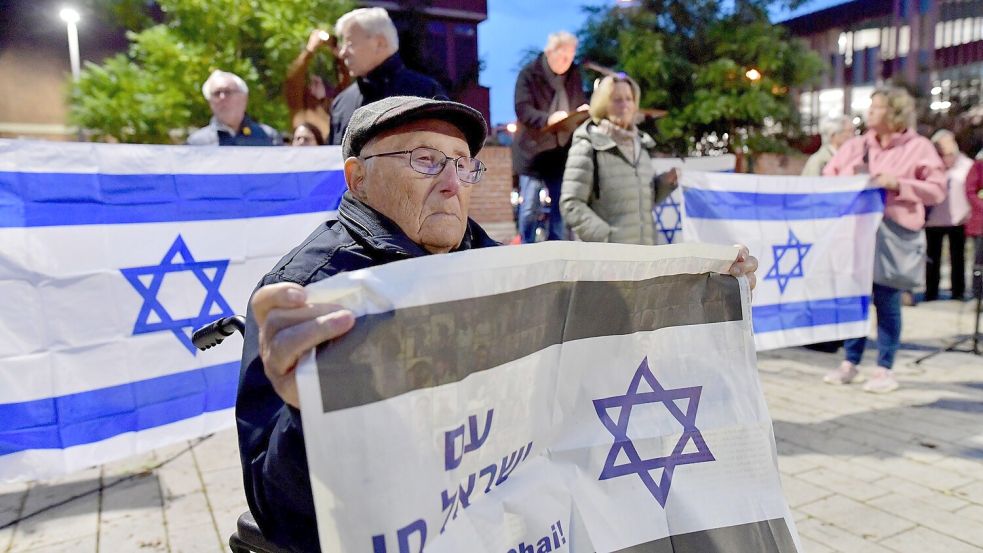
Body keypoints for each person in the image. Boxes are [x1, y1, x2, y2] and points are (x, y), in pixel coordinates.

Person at [236, 96, 760, 552]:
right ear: (359, 177)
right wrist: (311, 415)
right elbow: (279, 514)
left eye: (464, 165)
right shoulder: (306, 293)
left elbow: (596, 340)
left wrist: (703, 299)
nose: (451, 184)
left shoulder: (488, 262)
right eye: (425, 160)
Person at [822, 87, 946, 393]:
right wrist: (851, 178)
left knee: (888, 301)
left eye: (876, 108)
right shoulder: (856, 145)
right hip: (857, 233)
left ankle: (884, 368)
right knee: (856, 299)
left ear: (894, 113)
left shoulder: (919, 147)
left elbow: (937, 190)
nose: (870, 112)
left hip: (893, 234)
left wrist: (899, 185)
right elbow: (827, 176)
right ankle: (851, 362)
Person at [559, 73, 677, 244]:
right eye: (617, 99)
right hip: (610, 262)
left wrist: (665, 183)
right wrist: (606, 238)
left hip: (646, 258)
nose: (625, 105)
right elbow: (571, 204)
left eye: (629, 99)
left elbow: (640, 202)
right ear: (603, 105)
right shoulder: (588, 145)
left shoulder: (641, 145)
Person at [327, 7, 447, 145]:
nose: (343, 53)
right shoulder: (341, 103)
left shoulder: (426, 93)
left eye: (350, 43)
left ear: (380, 43)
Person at [512, 31, 590, 243]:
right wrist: (548, 119)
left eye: (571, 56)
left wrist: (581, 112)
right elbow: (523, 109)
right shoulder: (529, 74)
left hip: (560, 153)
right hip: (533, 154)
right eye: (564, 56)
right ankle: (527, 247)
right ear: (550, 52)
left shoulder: (573, 74)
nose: (568, 61)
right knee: (529, 207)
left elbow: (579, 99)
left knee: (561, 207)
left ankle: (558, 250)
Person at [924, 130, 973, 301]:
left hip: (959, 218)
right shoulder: (931, 165)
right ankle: (931, 291)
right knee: (932, 257)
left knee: (958, 257)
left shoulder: (966, 165)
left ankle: (958, 291)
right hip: (934, 218)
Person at [187, 70, 282, 146]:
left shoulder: (268, 137)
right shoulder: (196, 143)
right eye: (216, 93)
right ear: (209, 102)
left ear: (244, 97)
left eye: (227, 92)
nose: (222, 97)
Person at [284, 30, 337, 141]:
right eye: (311, 80)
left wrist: (337, 53)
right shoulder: (300, 106)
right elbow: (293, 80)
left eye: (319, 80)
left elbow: (346, 81)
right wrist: (310, 50)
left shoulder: (333, 105)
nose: (316, 81)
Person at [964, 159, 983, 298]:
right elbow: (970, 191)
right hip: (981, 222)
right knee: (980, 262)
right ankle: (978, 294)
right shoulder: (979, 166)